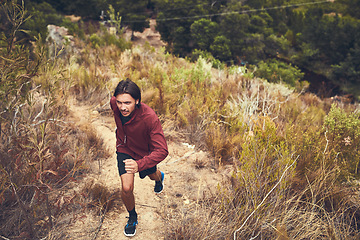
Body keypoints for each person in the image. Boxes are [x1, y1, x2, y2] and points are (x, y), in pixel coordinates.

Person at [110, 78, 168, 237]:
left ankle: (158, 178)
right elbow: (116, 106)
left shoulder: (149, 117)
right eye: (120, 102)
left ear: (137, 101)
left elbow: (162, 150)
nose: (122, 107)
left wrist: (140, 164)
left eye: (127, 103)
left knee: (151, 174)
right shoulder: (114, 103)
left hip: (144, 153)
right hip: (124, 148)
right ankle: (133, 217)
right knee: (127, 188)